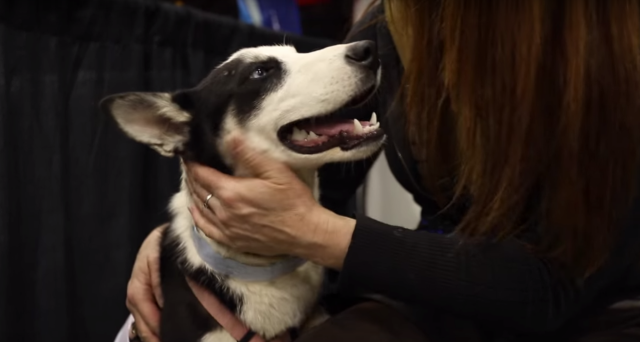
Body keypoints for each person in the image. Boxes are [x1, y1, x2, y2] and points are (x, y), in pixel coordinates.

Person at [123, 1, 640, 341]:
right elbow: (318, 167)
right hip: (437, 289)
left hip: (591, 309)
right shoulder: (400, 22)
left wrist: (314, 232)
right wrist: (192, 237)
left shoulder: (608, 63)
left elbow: (547, 287)